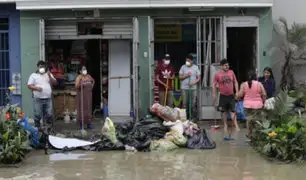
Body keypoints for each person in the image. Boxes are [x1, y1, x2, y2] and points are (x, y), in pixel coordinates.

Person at [212, 59, 240, 137]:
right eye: (225, 65)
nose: (227, 66)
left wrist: (237, 92)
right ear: (221, 66)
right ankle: (225, 125)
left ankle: (236, 125)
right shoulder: (217, 75)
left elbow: (235, 82)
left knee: (233, 111)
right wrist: (214, 94)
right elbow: (213, 84)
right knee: (224, 112)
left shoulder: (231, 72)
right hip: (223, 96)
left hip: (231, 95)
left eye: (228, 65)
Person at [27, 60, 57, 128]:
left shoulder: (48, 74)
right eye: (40, 67)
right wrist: (36, 88)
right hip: (38, 99)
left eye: (43, 67)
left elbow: (55, 83)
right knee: (37, 114)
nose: (42, 68)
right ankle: (37, 128)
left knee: (49, 114)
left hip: (48, 99)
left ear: (45, 67)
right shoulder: (33, 75)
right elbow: (29, 85)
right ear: (37, 67)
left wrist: (50, 75)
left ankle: (49, 129)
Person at [238, 70, 267, 137]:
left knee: (249, 120)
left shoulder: (244, 84)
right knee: (258, 120)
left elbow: (240, 95)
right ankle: (258, 134)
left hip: (247, 105)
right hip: (258, 105)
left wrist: (239, 90)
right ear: (255, 76)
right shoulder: (259, 84)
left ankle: (250, 133)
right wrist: (263, 101)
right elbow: (264, 94)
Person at [179, 54, 201, 121]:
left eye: (188, 60)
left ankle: (193, 118)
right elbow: (180, 77)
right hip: (184, 88)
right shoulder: (183, 67)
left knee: (193, 104)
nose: (187, 62)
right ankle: (186, 118)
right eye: (186, 60)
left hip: (193, 88)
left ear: (192, 61)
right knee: (185, 103)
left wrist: (193, 82)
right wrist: (186, 75)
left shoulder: (196, 67)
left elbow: (199, 78)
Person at [75, 65, 95, 129]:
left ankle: (89, 124)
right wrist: (81, 84)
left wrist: (92, 86)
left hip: (88, 96)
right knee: (82, 110)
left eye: (85, 69)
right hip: (82, 97)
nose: (84, 70)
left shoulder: (89, 76)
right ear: (80, 71)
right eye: (83, 69)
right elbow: (76, 86)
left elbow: (93, 81)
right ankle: (81, 125)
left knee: (89, 109)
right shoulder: (79, 77)